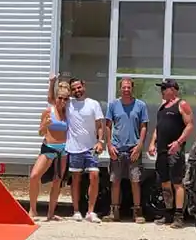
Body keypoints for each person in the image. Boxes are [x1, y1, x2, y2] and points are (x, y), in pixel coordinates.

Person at [148, 78, 194, 226]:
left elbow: (190, 125)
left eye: (164, 88)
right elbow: (158, 127)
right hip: (161, 151)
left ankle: (179, 216)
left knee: (177, 183)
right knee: (165, 182)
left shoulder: (182, 105)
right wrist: (152, 142)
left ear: (172, 90)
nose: (161, 91)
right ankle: (167, 214)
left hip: (174, 151)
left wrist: (178, 142)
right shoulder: (163, 107)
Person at [106, 77, 148, 223]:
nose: (126, 90)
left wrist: (140, 145)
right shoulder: (113, 105)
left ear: (132, 88)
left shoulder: (140, 105)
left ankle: (137, 212)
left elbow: (144, 126)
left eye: (128, 87)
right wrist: (109, 145)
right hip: (117, 149)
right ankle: (114, 212)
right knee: (115, 181)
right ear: (120, 88)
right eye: (123, 87)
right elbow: (108, 126)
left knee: (135, 181)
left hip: (133, 149)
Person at [28, 74, 69, 221]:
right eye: (60, 98)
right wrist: (44, 127)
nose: (63, 101)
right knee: (34, 176)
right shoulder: (48, 112)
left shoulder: (68, 113)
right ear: (56, 98)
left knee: (57, 181)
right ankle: (32, 210)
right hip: (48, 148)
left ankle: (51, 213)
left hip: (63, 151)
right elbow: (40, 132)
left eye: (66, 99)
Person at [64, 77, 106, 222]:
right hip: (74, 148)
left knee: (94, 176)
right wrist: (52, 83)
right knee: (76, 180)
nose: (77, 91)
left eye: (79, 87)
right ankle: (76, 211)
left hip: (91, 147)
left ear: (84, 87)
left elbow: (100, 125)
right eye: (74, 89)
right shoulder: (68, 104)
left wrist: (100, 141)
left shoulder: (93, 104)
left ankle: (90, 212)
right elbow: (52, 100)